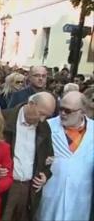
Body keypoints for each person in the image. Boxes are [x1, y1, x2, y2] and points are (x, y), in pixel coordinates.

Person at [37, 91, 93, 221]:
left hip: (81, 198)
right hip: (51, 195)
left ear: (82, 111)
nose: (62, 113)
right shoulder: (47, 127)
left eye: (68, 111)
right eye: (61, 108)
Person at [1, 92, 56, 221]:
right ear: (31, 104)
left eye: (47, 116)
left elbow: (48, 156)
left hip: (29, 189)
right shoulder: (4, 118)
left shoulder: (44, 127)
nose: (42, 119)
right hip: (6, 186)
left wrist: (45, 175)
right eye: (41, 113)